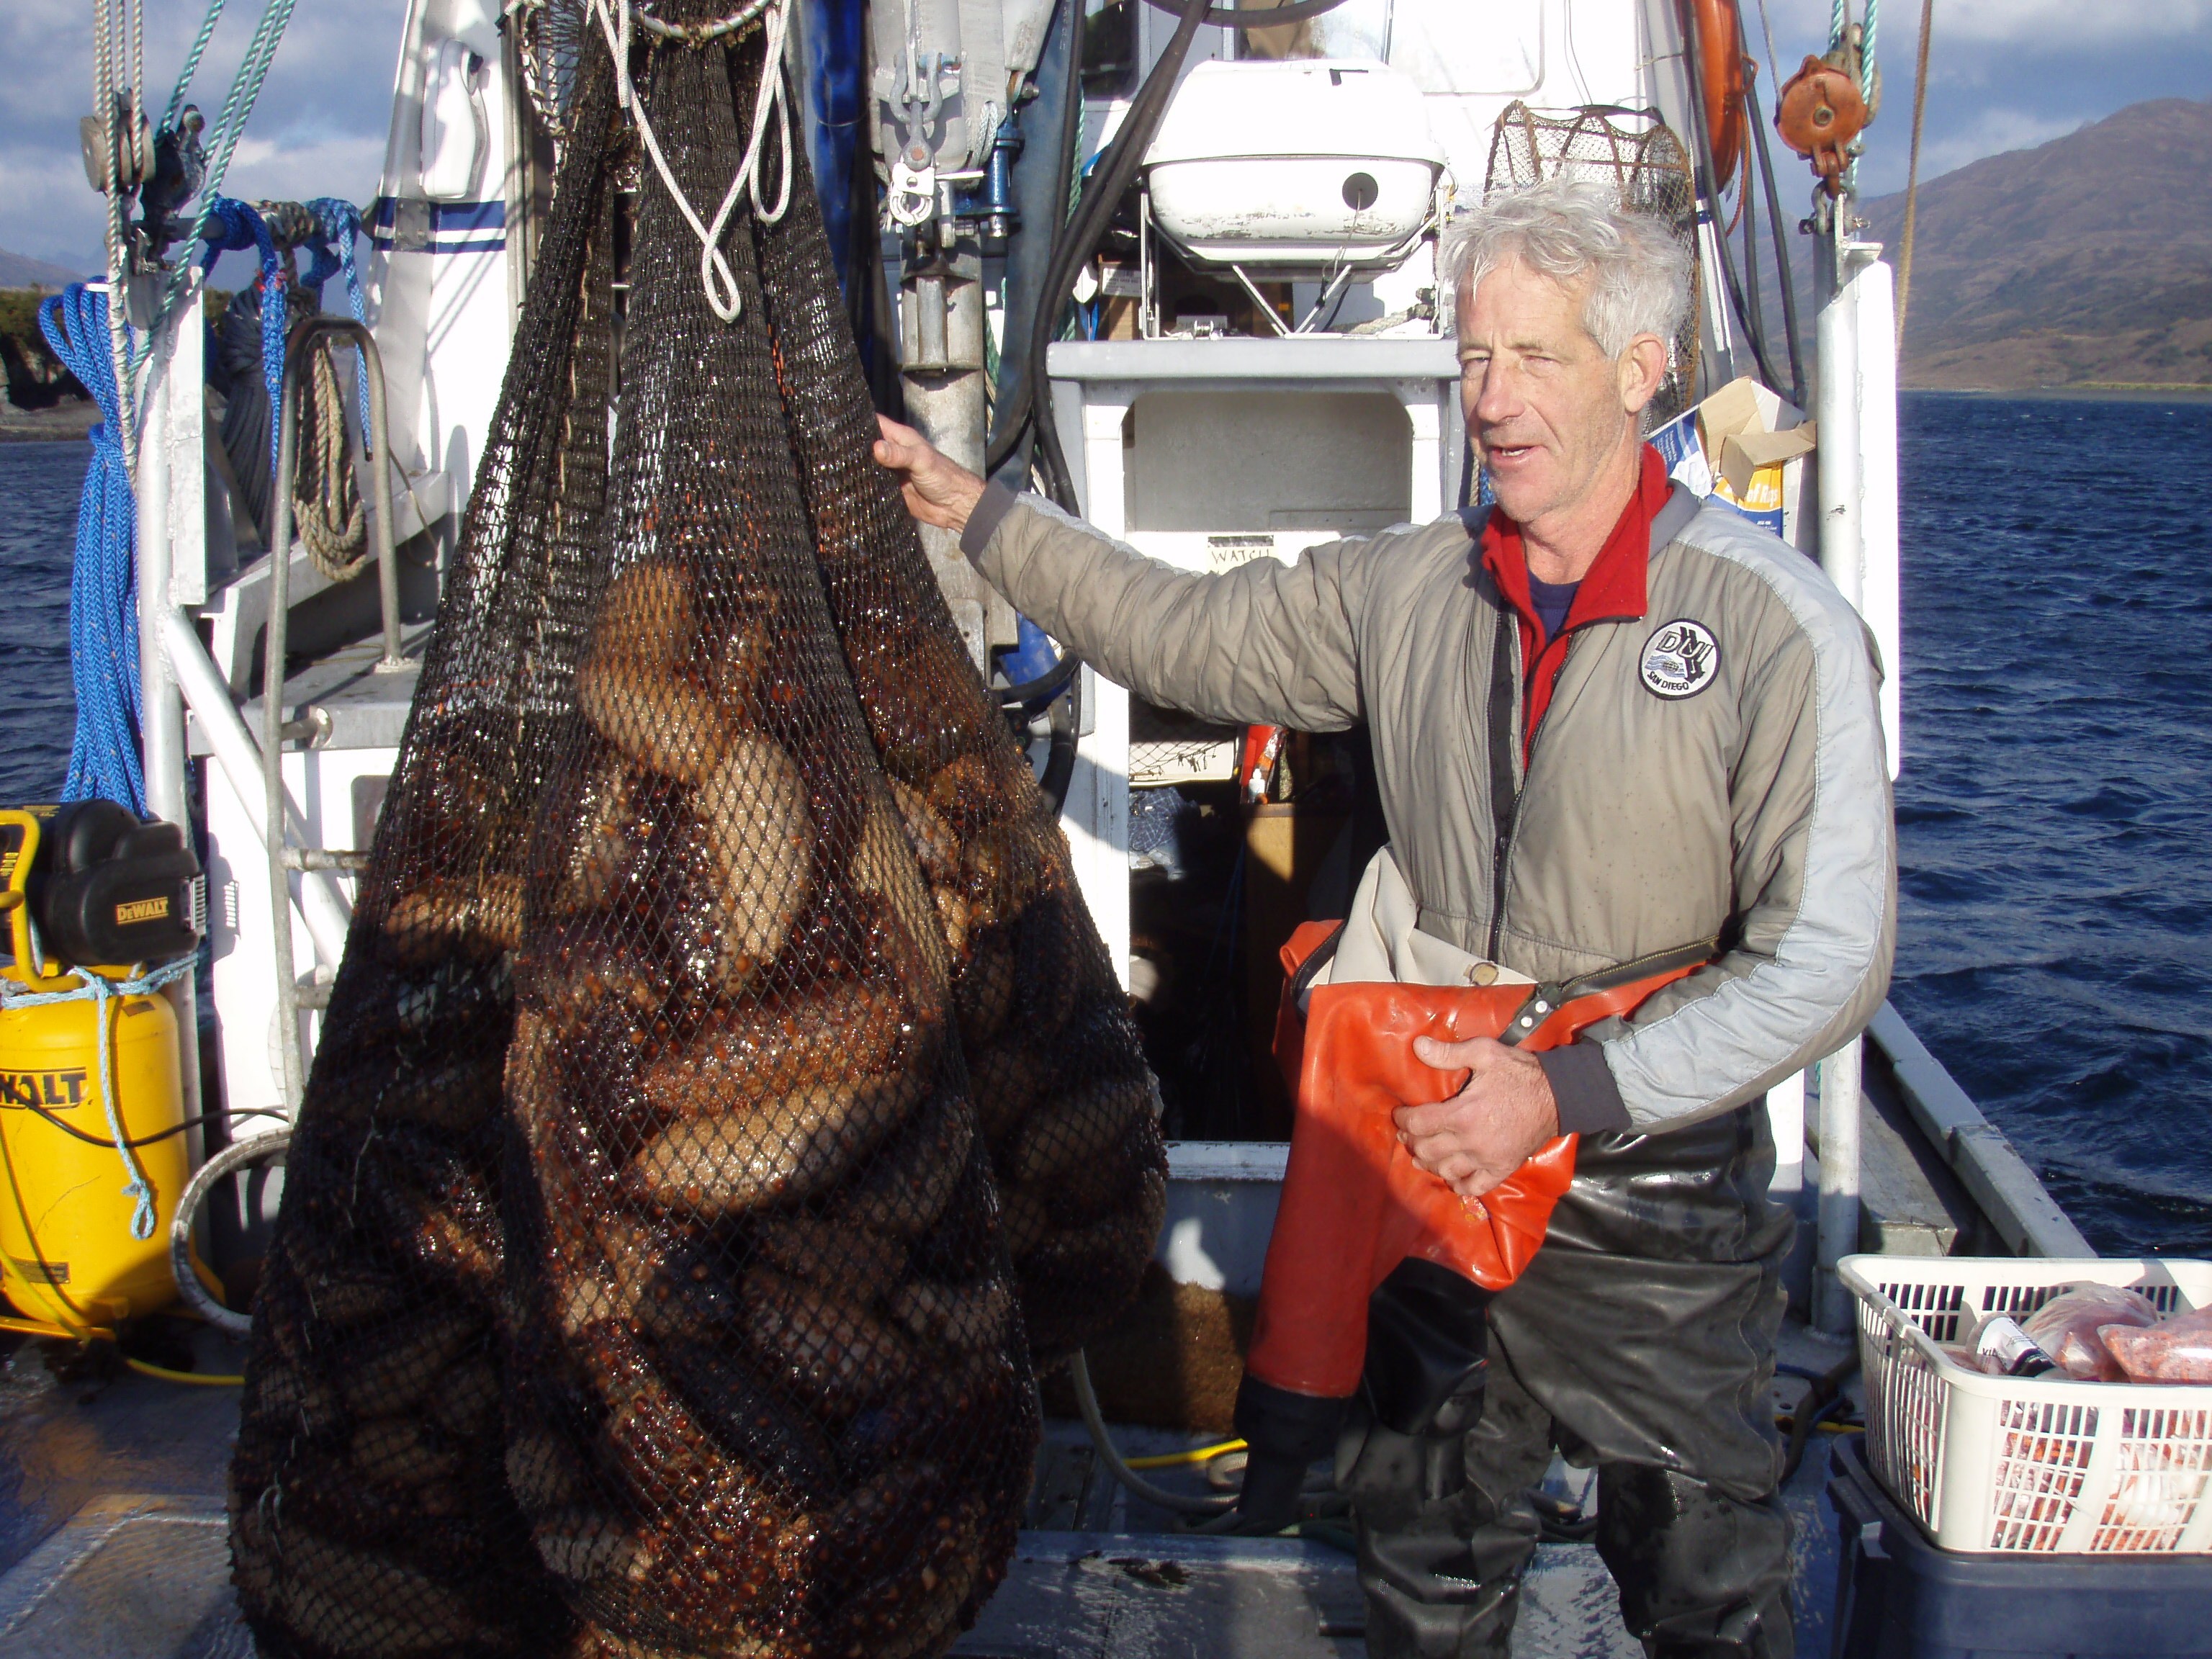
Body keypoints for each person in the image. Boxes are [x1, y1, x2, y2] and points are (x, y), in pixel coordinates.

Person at [873, 176, 1894, 1659]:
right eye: (1475, 359)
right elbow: (1186, 632)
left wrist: (1564, 1087)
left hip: (1648, 1190)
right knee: (1423, 1562)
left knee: (1706, 1585)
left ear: (1639, 368)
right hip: (1423, 1159)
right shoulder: (1407, 589)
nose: (1493, 398)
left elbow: (1828, 957)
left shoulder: (1772, 624)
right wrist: (985, 516)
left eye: (1535, 357)